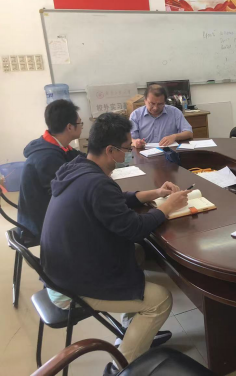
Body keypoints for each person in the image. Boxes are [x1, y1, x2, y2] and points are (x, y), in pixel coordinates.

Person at [40, 113, 191, 373]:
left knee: (136, 254)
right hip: (69, 285)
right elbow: (134, 229)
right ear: (110, 150)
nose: (129, 153)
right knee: (160, 300)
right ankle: (120, 367)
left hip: (61, 269)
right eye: (126, 148)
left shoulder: (79, 166)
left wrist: (156, 193)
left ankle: (132, 329)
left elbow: (114, 200)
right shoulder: (97, 183)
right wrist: (166, 207)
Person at [17, 100, 84, 243]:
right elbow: (63, 197)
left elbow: (81, 159)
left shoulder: (55, 145)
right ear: (70, 127)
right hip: (41, 226)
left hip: (47, 214)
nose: (82, 126)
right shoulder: (47, 157)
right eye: (80, 123)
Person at [130, 84, 193, 148]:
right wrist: (135, 142)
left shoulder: (175, 112)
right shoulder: (136, 115)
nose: (155, 108)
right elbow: (130, 139)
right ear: (145, 101)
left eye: (160, 104)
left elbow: (189, 133)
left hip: (168, 151)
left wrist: (174, 136)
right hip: (144, 151)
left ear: (165, 102)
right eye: (152, 103)